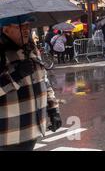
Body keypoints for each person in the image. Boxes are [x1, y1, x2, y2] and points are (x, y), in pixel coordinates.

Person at [0, 15, 61, 151]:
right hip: (10, 132)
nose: (26, 30)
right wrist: (16, 75)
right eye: (20, 27)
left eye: (28, 26)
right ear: (6, 29)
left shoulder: (30, 49)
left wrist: (53, 110)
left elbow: (43, 80)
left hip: (33, 128)